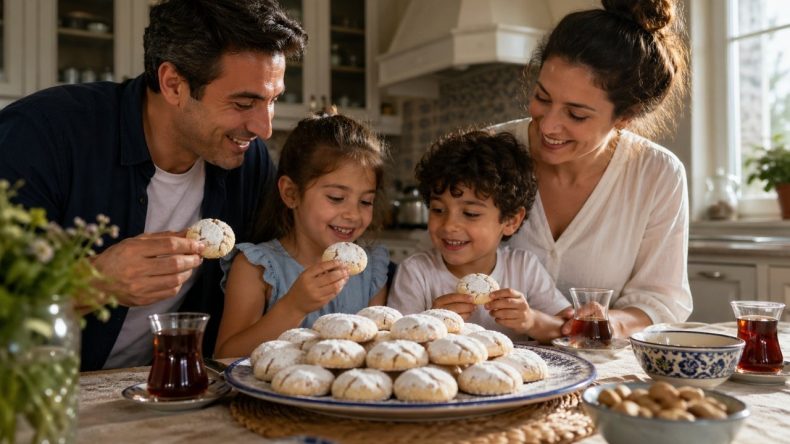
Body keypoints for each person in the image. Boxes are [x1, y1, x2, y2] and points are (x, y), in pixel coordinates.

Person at [0, 0, 307, 370]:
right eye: (244, 103)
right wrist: (91, 282)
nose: (265, 128)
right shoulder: (43, 133)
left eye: (273, 101)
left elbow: (281, 261)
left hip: (166, 395)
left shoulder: (248, 162)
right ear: (173, 84)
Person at [492, 0, 692, 339]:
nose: (549, 126)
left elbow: (661, 300)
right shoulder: (488, 151)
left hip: (596, 371)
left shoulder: (657, 174)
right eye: (542, 97)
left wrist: (611, 321)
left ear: (625, 118)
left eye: (577, 115)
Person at [214, 114, 390, 358]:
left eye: (365, 201)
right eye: (336, 198)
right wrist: (294, 306)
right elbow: (225, 356)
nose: (353, 214)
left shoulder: (371, 271)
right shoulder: (255, 268)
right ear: (291, 193)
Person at [387, 130, 570, 342]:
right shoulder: (416, 272)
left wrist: (530, 320)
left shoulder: (523, 267)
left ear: (511, 220)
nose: (449, 225)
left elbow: (566, 327)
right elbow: (397, 340)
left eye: (470, 214)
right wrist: (432, 322)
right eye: (438, 210)